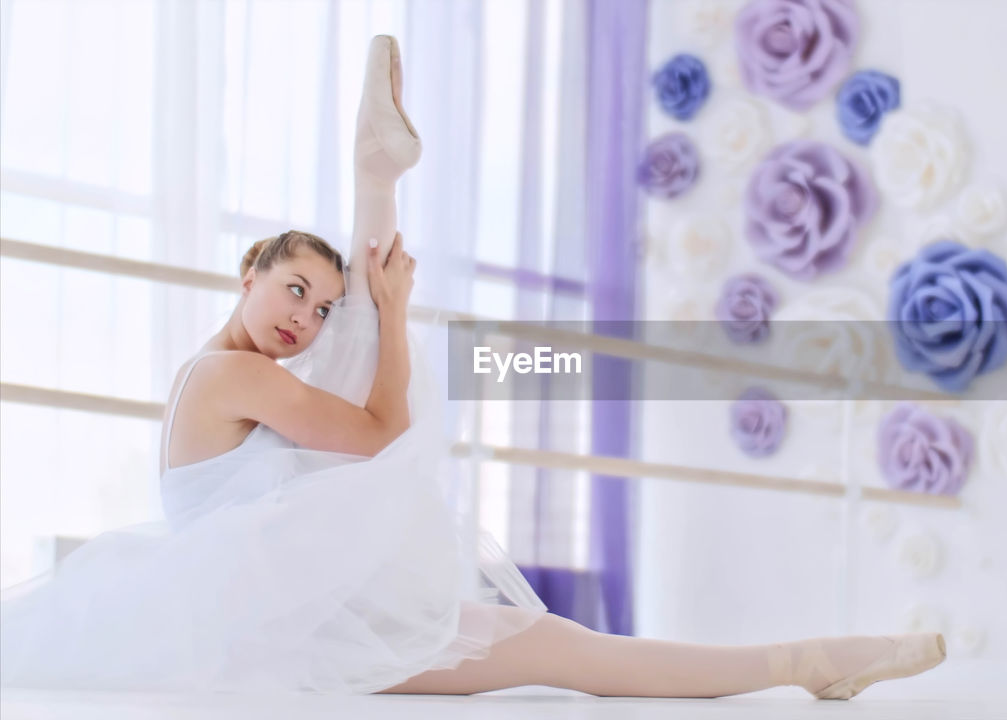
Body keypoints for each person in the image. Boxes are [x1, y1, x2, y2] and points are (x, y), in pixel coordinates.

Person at [0, 36, 946, 700]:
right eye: (291, 289)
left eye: (319, 304)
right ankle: (803, 662)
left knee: (562, 647)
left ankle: (804, 661)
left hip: (295, 612)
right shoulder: (229, 379)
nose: (303, 318)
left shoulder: (226, 378)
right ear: (248, 273)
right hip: (284, 632)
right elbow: (379, 437)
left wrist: (372, 312)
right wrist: (397, 319)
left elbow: (356, 416)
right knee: (565, 651)